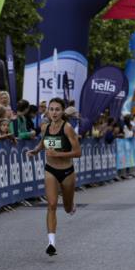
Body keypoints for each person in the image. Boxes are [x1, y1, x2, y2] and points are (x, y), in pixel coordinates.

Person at [26, 97, 81, 257]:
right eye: (51, 109)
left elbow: (78, 152)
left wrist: (59, 154)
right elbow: (43, 142)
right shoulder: (45, 127)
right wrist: (35, 151)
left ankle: (71, 206)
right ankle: (51, 243)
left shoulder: (68, 128)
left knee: (67, 207)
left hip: (66, 171)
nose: (54, 112)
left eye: (57, 109)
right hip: (50, 169)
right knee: (51, 205)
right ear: (48, 111)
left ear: (62, 111)